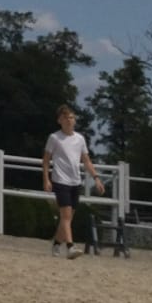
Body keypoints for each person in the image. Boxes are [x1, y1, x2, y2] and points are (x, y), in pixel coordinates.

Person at [42, 104, 105, 257]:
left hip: (75, 181)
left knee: (68, 218)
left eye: (71, 117)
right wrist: (46, 179)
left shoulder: (80, 139)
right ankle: (70, 246)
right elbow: (46, 160)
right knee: (65, 216)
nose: (69, 120)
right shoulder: (54, 138)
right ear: (59, 120)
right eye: (65, 118)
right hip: (60, 180)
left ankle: (57, 244)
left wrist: (96, 178)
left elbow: (86, 161)